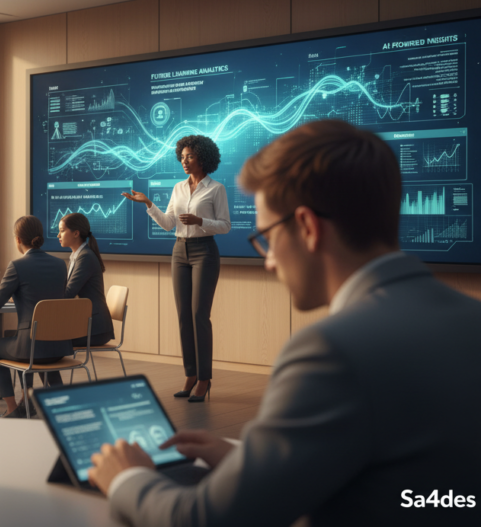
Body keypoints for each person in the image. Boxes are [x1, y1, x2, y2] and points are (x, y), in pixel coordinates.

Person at [89, 120, 481, 526]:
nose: (270, 261)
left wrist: (126, 478)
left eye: (268, 238)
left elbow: (204, 518)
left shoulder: (328, 353)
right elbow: (422, 491)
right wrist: (251, 461)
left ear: (308, 228)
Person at [122, 135, 230, 402]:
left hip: (205, 251)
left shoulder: (216, 189)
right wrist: (148, 204)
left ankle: (205, 379)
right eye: (181, 157)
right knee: (183, 316)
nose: (184, 161)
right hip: (179, 251)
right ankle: (190, 375)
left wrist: (199, 220)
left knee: (198, 315)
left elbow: (225, 225)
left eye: (189, 156)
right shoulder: (178, 188)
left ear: (203, 158)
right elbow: (169, 224)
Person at [0, 215, 68, 418]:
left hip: (31, 348)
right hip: (58, 346)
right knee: (21, 338)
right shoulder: (60, 264)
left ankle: (13, 409)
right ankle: (51, 406)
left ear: (18, 239)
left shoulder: (18, 266)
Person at [57, 212, 114, 350]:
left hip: (95, 329)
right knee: (43, 338)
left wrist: (39, 294)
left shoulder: (85, 257)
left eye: (62, 231)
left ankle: (51, 370)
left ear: (76, 233)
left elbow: (68, 293)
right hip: (86, 323)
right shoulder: (76, 256)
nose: (58, 236)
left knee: (44, 339)